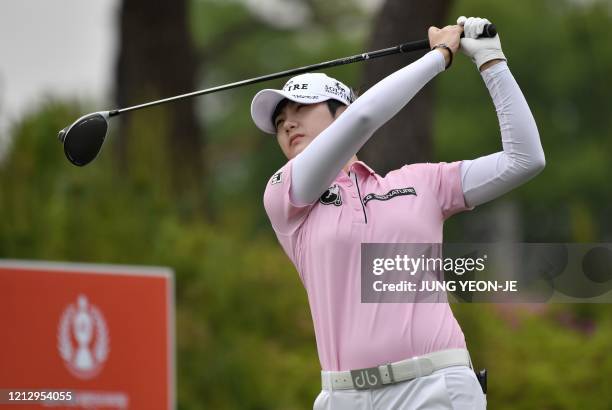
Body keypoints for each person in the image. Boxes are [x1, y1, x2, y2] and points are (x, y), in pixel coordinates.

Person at [250, 16, 545, 410]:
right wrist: (439, 55)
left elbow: (524, 159)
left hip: (436, 385)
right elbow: (365, 117)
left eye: (301, 108)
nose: (287, 123)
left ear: (340, 114)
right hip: (344, 397)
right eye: (279, 120)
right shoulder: (286, 198)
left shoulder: (422, 183)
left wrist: (491, 61)